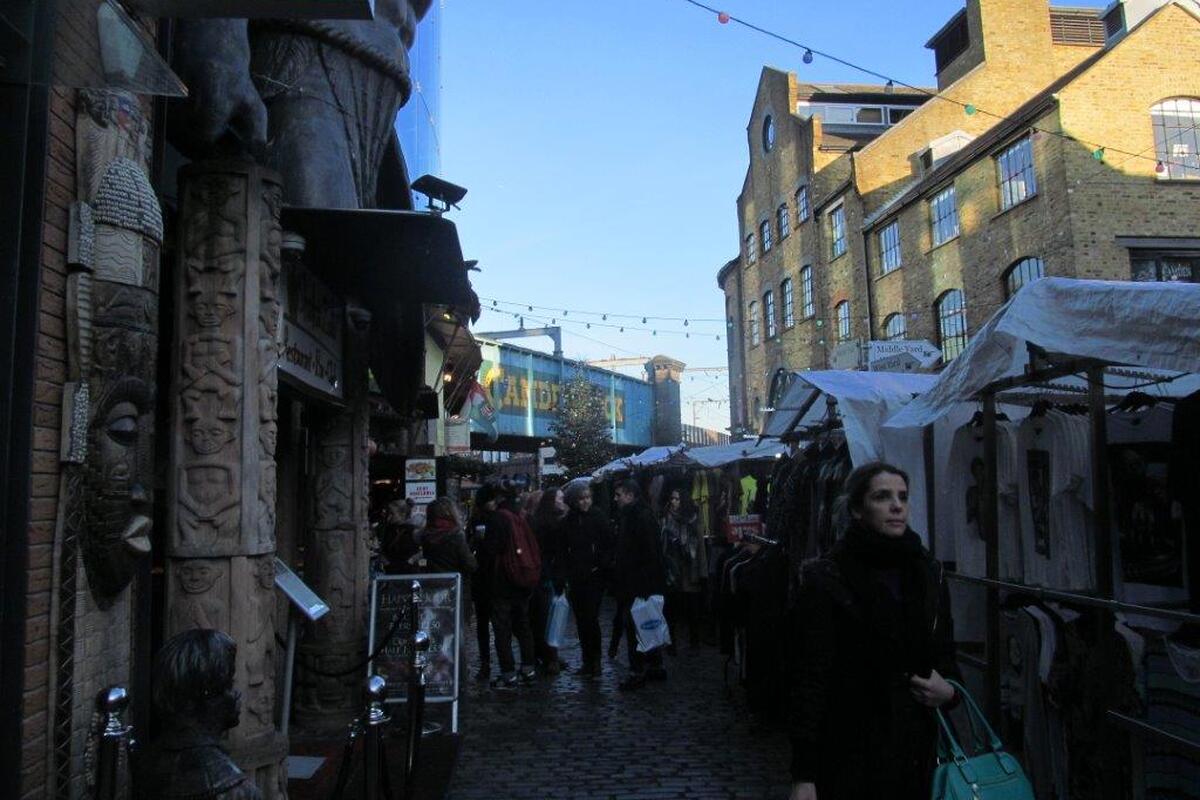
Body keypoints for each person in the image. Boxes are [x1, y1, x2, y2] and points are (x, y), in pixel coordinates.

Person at [787, 462, 959, 800]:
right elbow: (808, 681)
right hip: (849, 756)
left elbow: (945, 657)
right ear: (856, 509)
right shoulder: (827, 580)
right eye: (883, 497)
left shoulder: (927, 574)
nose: (897, 506)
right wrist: (804, 775)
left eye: (903, 497)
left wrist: (949, 692)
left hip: (918, 754)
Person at [478, 483, 538, 689]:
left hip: (502, 582)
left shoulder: (497, 519)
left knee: (502, 629)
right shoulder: (519, 517)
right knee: (523, 626)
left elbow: (492, 550)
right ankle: (529, 668)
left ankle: (508, 673)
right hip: (521, 580)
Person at [612, 478, 668, 690]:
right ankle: (655, 664)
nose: (616, 499)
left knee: (635, 624)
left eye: (619, 495)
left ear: (630, 495)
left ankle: (637, 670)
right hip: (639, 581)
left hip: (638, 583)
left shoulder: (639, 517)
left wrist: (643, 584)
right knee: (646, 623)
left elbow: (648, 553)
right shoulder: (635, 515)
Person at [562, 481, 612, 678]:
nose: (585, 502)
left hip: (594, 576)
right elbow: (564, 546)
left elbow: (608, 543)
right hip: (577, 576)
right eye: (581, 499)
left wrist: (600, 564)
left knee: (591, 619)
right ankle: (587, 660)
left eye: (587, 498)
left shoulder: (598, 516)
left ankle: (595, 660)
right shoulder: (570, 520)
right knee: (582, 620)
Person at [661, 488, 706, 650]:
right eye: (672, 498)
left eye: (677, 499)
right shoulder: (666, 517)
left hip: (689, 567)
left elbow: (697, 546)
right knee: (672, 607)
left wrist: (701, 571)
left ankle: (694, 643)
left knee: (691, 608)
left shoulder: (692, 519)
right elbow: (663, 543)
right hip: (673, 568)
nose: (673, 502)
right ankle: (671, 642)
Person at [529, 488, 568, 675]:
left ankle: (546, 654)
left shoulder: (545, 521)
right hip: (546, 576)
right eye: (560, 498)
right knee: (548, 618)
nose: (563, 501)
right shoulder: (549, 524)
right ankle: (550, 656)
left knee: (545, 617)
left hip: (547, 575)